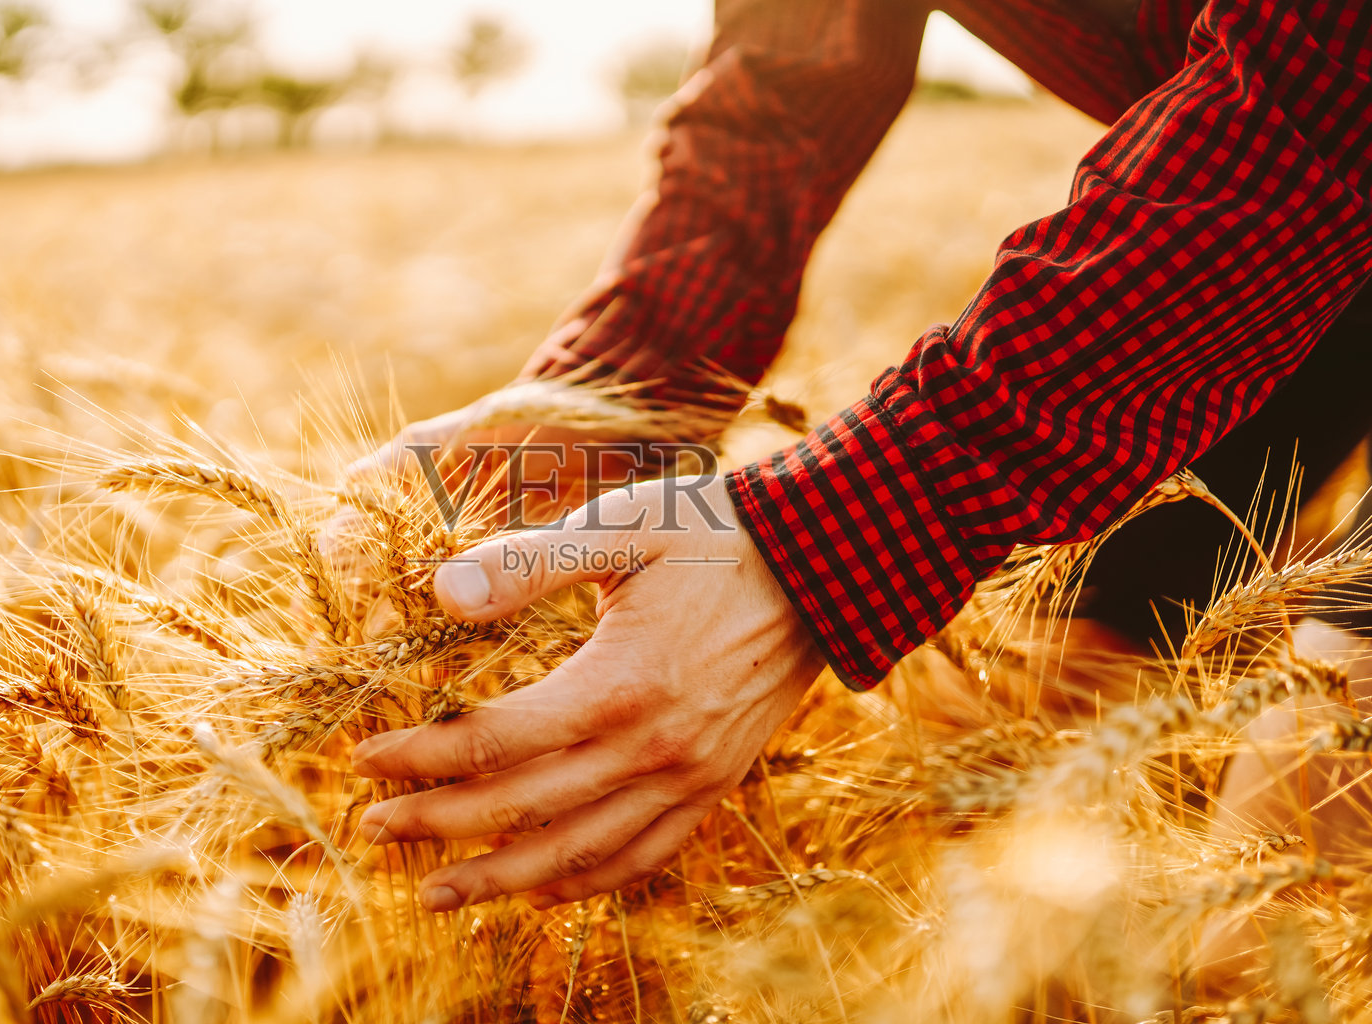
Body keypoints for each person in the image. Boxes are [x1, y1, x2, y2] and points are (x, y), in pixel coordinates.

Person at [347, 0, 1372, 915]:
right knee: (1038, 719)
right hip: (1246, 262)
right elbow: (787, 75)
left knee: (1301, 849)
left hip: (1277, 198)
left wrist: (830, 532)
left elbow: (1326, 76)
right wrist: (610, 395)